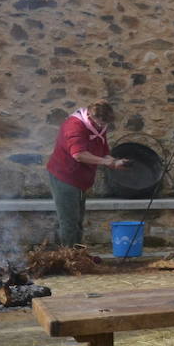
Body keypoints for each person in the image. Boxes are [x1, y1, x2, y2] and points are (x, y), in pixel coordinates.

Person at [45, 101, 130, 247]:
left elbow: (104, 153)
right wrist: (106, 163)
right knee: (69, 220)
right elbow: (78, 154)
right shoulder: (74, 126)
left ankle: (77, 254)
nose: (104, 126)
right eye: (101, 123)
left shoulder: (99, 127)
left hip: (80, 179)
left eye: (106, 123)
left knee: (78, 219)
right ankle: (69, 257)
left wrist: (116, 162)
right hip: (64, 176)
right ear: (90, 117)